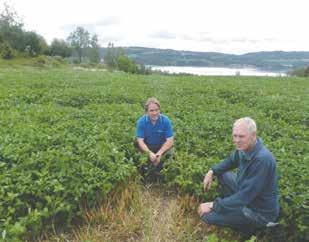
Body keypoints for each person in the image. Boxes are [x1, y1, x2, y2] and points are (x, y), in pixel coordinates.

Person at [198, 117, 279, 235]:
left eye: (241, 136)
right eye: (235, 136)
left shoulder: (262, 159)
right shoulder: (244, 148)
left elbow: (245, 195)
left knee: (208, 216)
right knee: (224, 174)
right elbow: (230, 161)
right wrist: (212, 171)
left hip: (259, 212)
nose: (237, 140)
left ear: (253, 135)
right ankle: (232, 210)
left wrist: (214, 205)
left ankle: (247, 230)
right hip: (248, 196)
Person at [135, 97, 174, 176]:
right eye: (151, 110)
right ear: (146, 112)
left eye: (157, 110)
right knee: (139, 156)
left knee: (171, 154)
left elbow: (170, 140)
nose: (154, 113)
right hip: (148, 146)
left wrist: (159, 153)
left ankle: (164, 174)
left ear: (159, 110)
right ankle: (145, 174)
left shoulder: (165, 120)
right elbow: (140, 141)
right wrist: (149, 153)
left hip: (161, 146)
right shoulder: (141, 122)